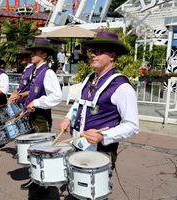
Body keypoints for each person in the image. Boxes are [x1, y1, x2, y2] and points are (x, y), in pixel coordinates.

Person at [59, 32, 139, 193]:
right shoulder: (89, 78)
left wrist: (103, 136)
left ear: (112, 56)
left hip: (101, 149)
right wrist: (68, 118)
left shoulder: (122, 86)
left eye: (99, 51)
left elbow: (132, 125)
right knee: (78, 189)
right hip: (79, 144)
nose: (93, 55)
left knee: (94, 193)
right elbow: (79, 103)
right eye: (92, 51)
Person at [19, 38, 62, 200]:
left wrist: (37, 102)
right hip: (33, 117)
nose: (31, 55)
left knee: (42, 151)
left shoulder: (48, 72)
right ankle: (35, 179)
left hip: (41, 118)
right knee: (34, 151)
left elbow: (56, 97)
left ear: (43, 55)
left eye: (35, 53)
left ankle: (44, 184)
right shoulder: (36, 71)